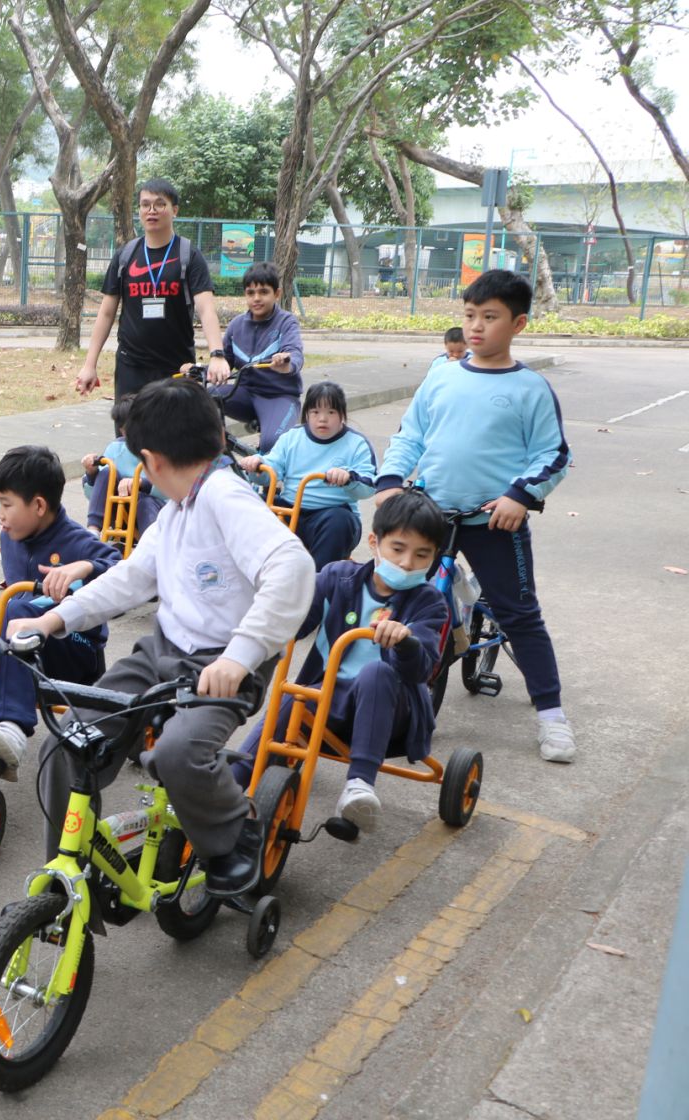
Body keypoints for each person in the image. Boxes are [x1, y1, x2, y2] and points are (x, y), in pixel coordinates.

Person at [10, 376, 315, 895]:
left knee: (178, 753)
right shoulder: (174, 512)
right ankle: (69, 874)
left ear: (148, 459)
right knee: (67, 743)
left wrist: (239, 658)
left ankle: (235, 833)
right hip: (161, 651)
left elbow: (293, 567)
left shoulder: (224, 497)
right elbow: (129, 578)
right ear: (218, 439)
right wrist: (52, 620)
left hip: (220, 663)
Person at [376, 269, 574, 763]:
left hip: (494, 522)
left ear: (519, 323)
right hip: (429, 518)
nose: (476, 327)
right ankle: (386, 701)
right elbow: (410, 435)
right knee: (399, 605)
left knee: (519, 614)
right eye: (469, 316)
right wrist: (390, 481)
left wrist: (519, 496)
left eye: (490, 317)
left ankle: (551, 715)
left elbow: (553, 455)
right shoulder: (441, 376)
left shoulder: (530, 387)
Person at [230, 490, 449, 832]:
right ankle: (231, 784)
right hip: (330, 701)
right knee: (294, 695)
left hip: (391, 713)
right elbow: (295, 620)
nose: (408, 563)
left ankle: (359, 786)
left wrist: (405, 641)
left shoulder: (429, 603)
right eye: (398, 549)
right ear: (375, 542)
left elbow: (422, 668)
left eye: (422, 555)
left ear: (434, 557)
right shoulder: (338, 578)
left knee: (378, 670)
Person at [0, 446, 121, 781]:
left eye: (6, 505)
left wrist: (83, 567)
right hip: (22, 640)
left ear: (39, 506)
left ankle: (12, 724)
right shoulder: (14, 534)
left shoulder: (74, 539)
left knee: (16, 609)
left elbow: (120, 567)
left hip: (73, 651)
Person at [75, 178, 230, 419]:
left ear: (174, 210)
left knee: (172, 442)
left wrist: (217, 355)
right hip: (131, 366)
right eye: (145, 204)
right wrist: (89, 364)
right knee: (129, 441)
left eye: (160, 204)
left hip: (176, 368)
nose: (152, 210)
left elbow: (206, 309)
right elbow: (106, 313)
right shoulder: (126, 256)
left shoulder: (189, 255)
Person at [238, 381, 377, 570]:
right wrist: (256, 466)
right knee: (249, 503)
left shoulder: (356, 443)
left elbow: (369, 486)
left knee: (338, 521)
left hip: (331, 513)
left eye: (331, 412)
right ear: (306, 415)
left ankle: (318, 586)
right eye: (315, 412)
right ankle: (248, 570)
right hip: (290, 509)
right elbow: (272, 468)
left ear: (342, 415)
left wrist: (348, 478)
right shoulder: (292, 437)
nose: (322, 419)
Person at [211, 262, 305, 453]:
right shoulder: (236, 325)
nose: (256, 298)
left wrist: (286, 363)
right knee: (204, 397)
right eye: (250, 293)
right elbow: (224, 364)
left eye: (263, 292)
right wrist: (198, 370)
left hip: (279, 396)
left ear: (276, 294)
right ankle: (219, 452)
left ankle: (272, 475)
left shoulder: (286, 322)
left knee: (272, 444)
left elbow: (295, 353)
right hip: (244, 394)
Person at [81, 393, 166, 539]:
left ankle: (153, 549)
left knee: (145, 503)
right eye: (128, 430)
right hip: (120, 512)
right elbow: (94, 493)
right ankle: (93, 532)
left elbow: (172, 488)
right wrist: (92, 473)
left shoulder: (162, 449)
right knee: (108, 472)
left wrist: (140, 483)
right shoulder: (116, 448)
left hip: (152, 512)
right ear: (122, 430)